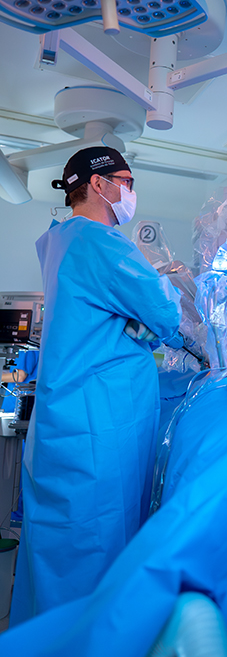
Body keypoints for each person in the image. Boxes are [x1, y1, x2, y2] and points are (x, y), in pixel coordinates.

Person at [11, 146, 183, 625]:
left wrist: (135, 321)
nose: (130, 191)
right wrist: (165, 289)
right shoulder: (101, 242)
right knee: (95, 545)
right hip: (98, 425)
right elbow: (166, 315)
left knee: (55, 547)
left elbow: (103, 317)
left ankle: (41, 652)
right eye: (125, 181)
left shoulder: (57, 241)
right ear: (98, 184)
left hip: (61, 423)